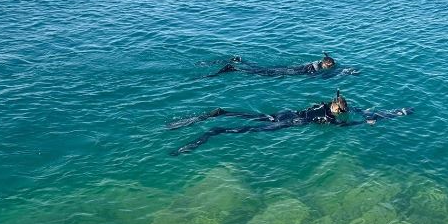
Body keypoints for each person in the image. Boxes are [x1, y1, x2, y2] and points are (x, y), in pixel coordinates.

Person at [168, 90, 413, 155]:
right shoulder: (326, 118)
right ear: (336, 109)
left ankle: (221, 112)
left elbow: (346, 110)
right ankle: (214, 130)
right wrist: (364, 124)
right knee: (243, 130)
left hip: (284, 113)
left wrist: (384, 112)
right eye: (340, 111)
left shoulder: (322, 105)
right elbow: (343, 125)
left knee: (250, 118)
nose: (340, 115)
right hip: (289, 122)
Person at [206, 52, 353, 78]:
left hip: (290, 68)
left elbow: (326, 58)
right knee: (263, 73)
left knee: (263, 69)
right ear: (326, 65)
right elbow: (320, 77)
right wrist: (343, 73)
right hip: (290, 72)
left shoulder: (316, 63)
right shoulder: (317, 70)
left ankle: (240, 61)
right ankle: (234, 68)